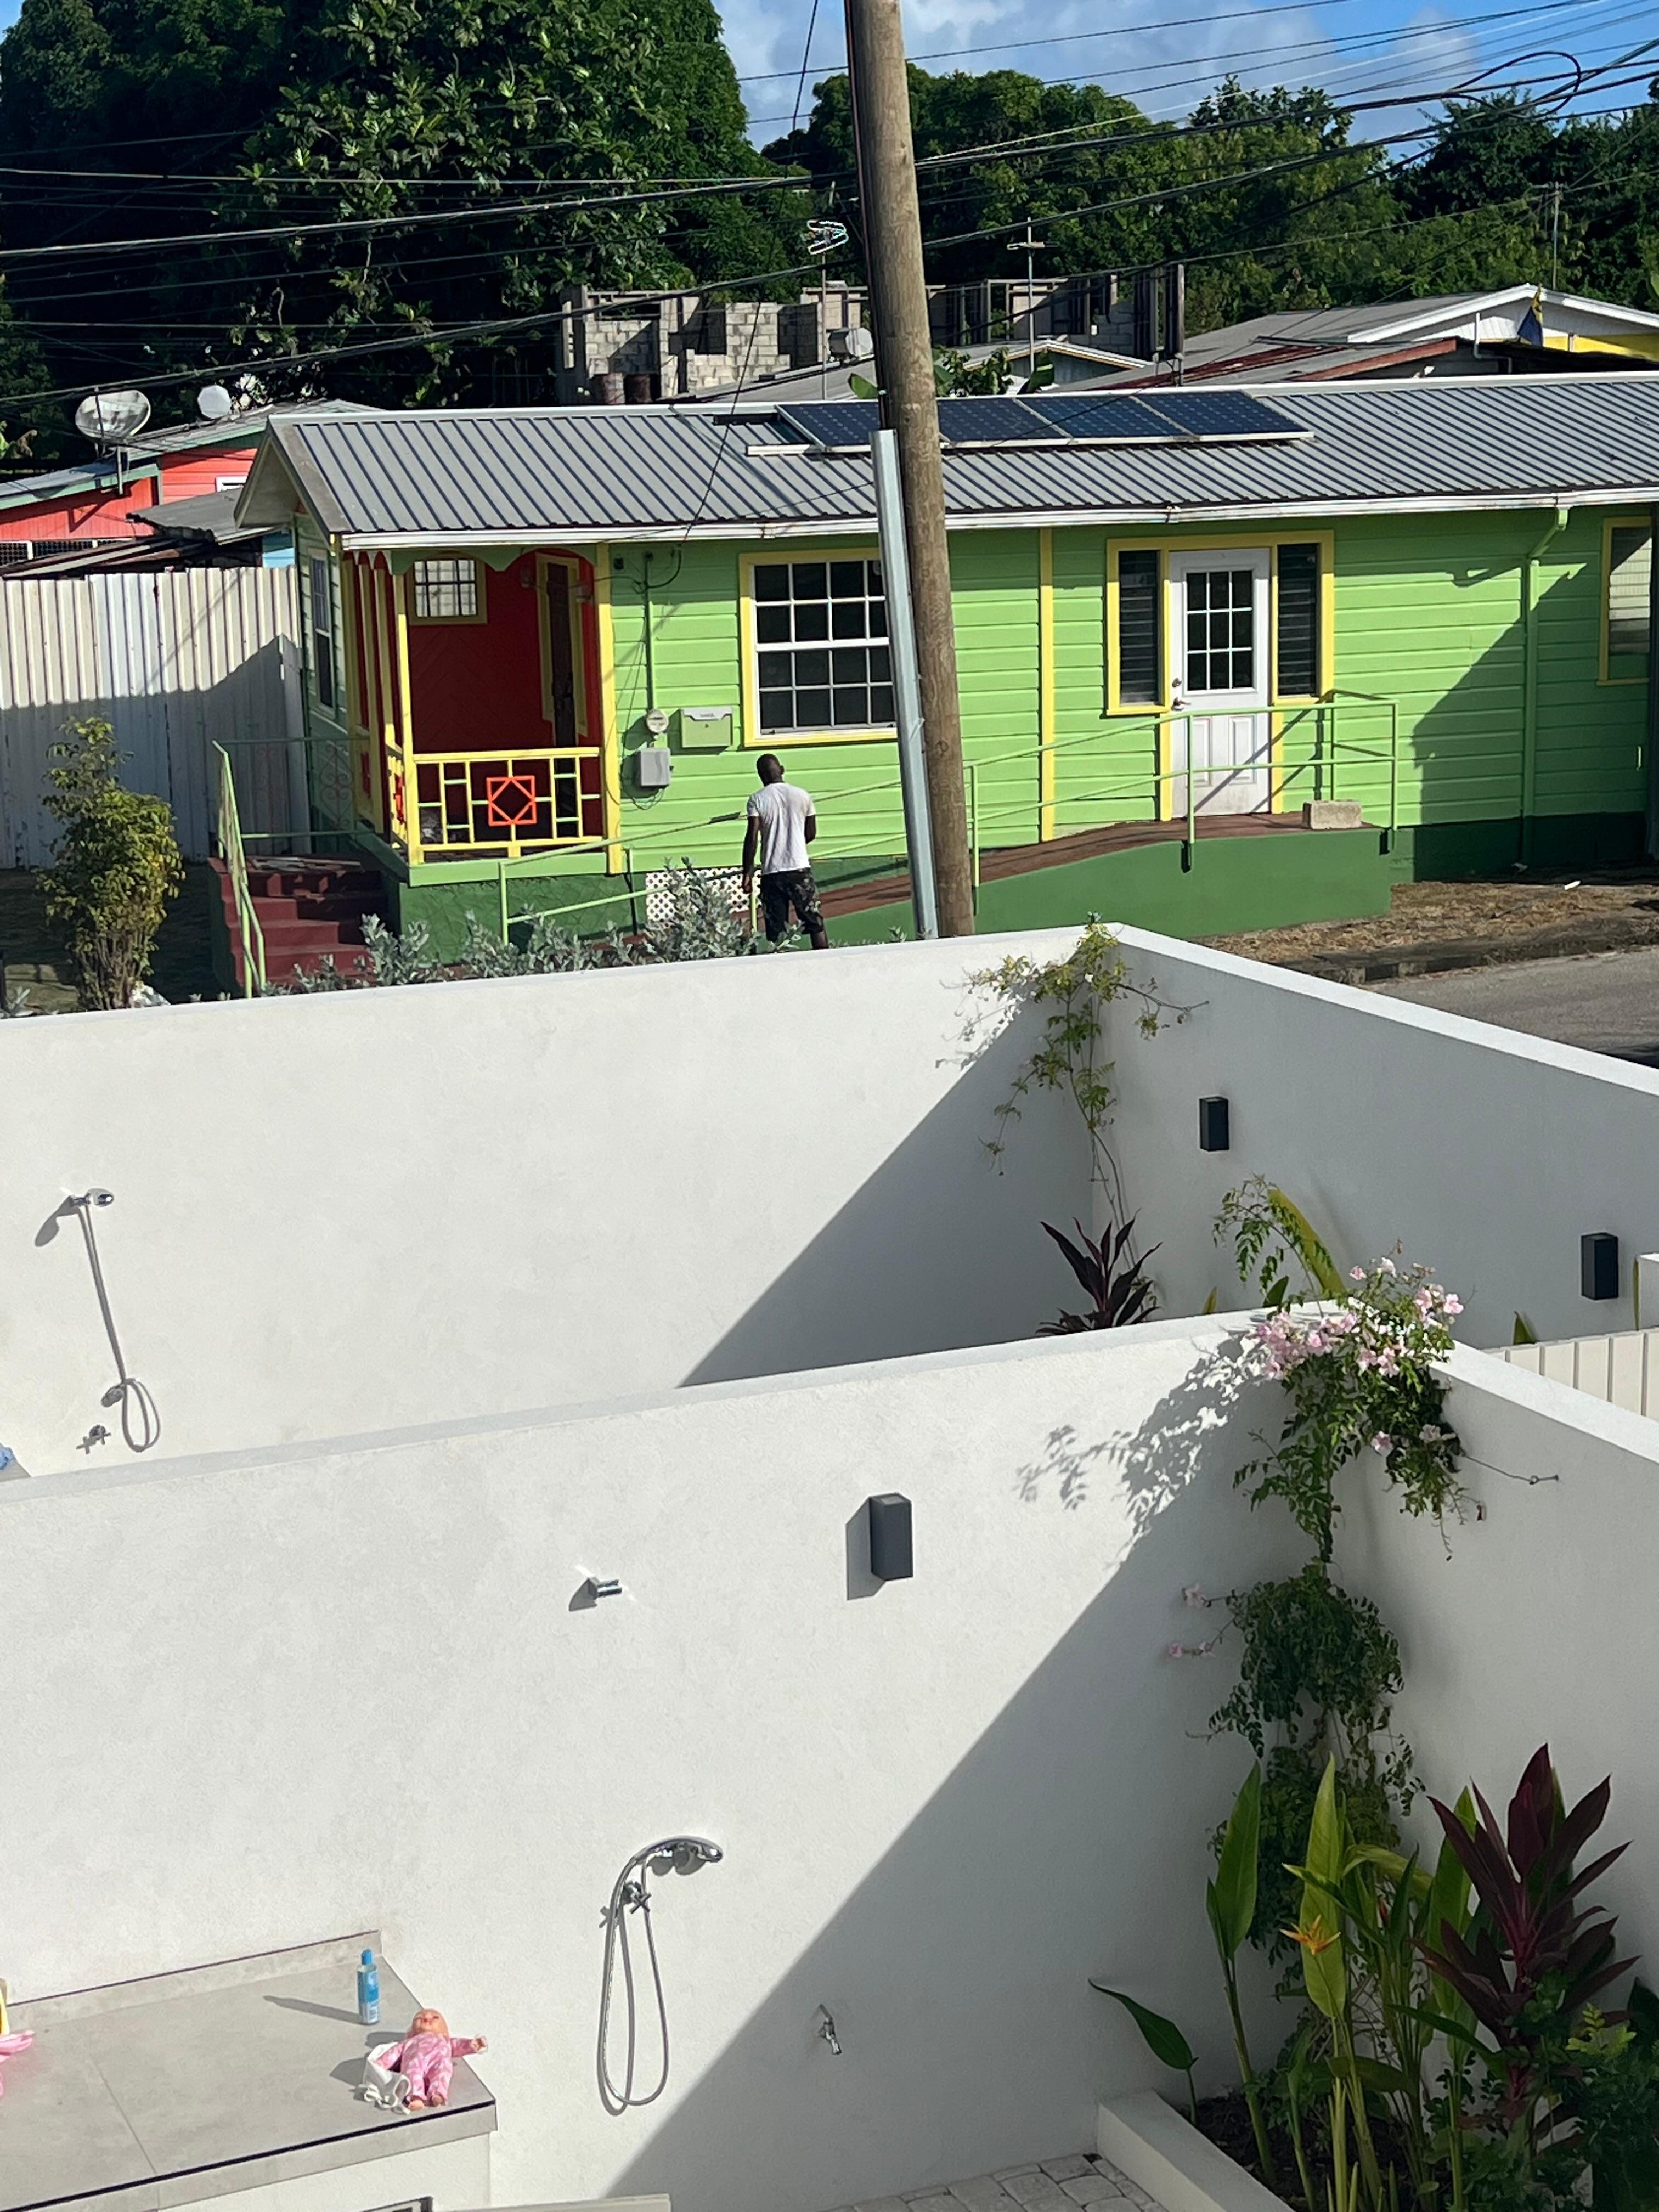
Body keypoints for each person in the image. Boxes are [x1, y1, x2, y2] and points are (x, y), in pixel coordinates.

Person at [742, 753, 830, 949]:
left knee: (777, 930)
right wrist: (795, 842)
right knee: (815, 924)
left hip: (772, 872)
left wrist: (747, 871)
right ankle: (825, 962)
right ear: (782, 770)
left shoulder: (757, 799)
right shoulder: (803, 795)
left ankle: (780, 967)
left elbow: (752, 837)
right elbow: (811, 833)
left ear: (761, 776)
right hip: (799, 869)